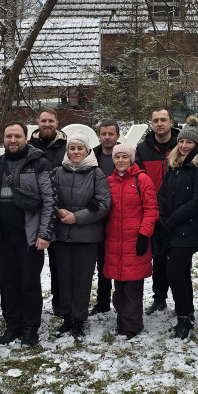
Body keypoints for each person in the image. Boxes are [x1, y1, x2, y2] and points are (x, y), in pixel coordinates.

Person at [0, 122, 57, 347]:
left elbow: (50, 200)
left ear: (25, 138)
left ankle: (30, 328)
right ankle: (12, 325)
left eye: (17, 136)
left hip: (29, 238)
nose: (13, 140)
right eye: (9, 136)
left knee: (29, 284)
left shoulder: (39, 163)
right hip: (1, 238)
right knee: (7, 283)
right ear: (3, 139)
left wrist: (45, 233)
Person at [155, 116, 198, 340]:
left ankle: (182, 319)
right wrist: (161, 216)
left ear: (196, 144)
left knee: (174, 272)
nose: (184, 145)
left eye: (189, 142)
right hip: (170, 228)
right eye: (181, 142)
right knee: (182, 272)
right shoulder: (175, 166)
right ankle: (188, 312)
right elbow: (162, 192)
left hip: (188, 229)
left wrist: (171, 220)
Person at [50, 131, 112, 337]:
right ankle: (66, 318)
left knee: (83, 280)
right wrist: (58, 211)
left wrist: (77, 217)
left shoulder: (96, 174)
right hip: (62, 236)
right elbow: (49, 197)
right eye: (72, 148)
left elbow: (104, 204)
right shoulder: (57, 172)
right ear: (67, 150)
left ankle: (78, 319)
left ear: (87, 151)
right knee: (64, 279)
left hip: (87, 236)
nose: (76, 152)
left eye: (80, 148)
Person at [104, 142, 158, 338]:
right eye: (117, 157)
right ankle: (122, 321)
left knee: (132, 288)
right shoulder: (109, 181)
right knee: (119, 288)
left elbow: (151, 210)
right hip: (114, 242)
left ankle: (132, 325)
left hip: (135, 242)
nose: (120, 160)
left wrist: (144, 235)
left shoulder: (142, 180)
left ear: (131, 159)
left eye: (124, 157)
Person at [135, 107, 178, 315]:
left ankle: (183, 301)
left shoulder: (183, 145)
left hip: (177, 212)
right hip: (153, 212)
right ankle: (159, 298)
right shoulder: (142, 149)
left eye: (163, 119)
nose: (159, 123)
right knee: (159, 259)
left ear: (171, 122)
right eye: (155, 120)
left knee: (179, 261)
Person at [29, 108, 67, 316]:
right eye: (43, 120)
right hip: (33, 214)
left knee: (58, 264)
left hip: (60, 213)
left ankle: (59, 304)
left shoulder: (66, 147)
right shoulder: (28, 147)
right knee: (32, 265)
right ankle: (32, 306)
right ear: (37, 123)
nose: (47, 124)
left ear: (57, 122)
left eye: (50, 120)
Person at [90, 119, 120, 315]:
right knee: (100, 263)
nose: (107, 137)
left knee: (117, 262)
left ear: (117, 136)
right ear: (99, 136)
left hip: (119, 218)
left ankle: (122, 301)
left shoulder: (127, 155)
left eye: (111, 134)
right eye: (103, 134)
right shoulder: (91, 155)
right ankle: (102, 302)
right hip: (96, 218)